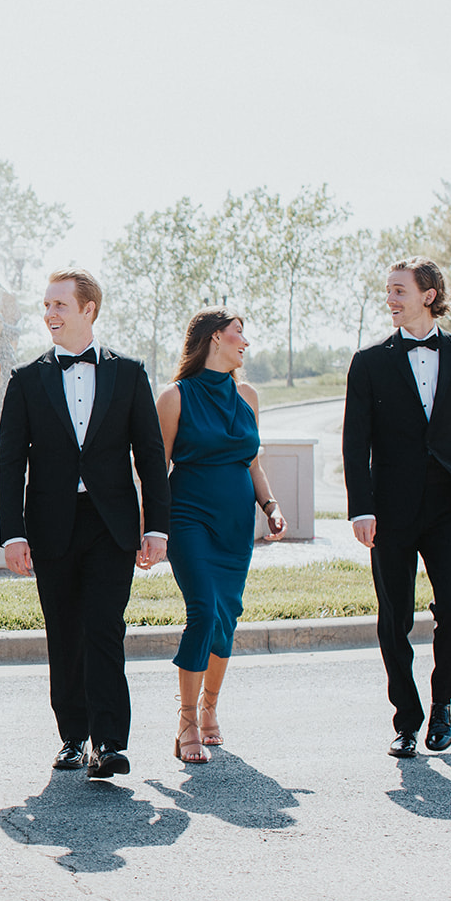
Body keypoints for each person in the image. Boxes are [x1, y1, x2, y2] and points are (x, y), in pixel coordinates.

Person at [0, 268, 169, 779]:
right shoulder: (26, 380)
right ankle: (72, 737)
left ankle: (110, 742)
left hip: (111, 524)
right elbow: (10, 463)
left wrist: (156, 527)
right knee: (64, 632)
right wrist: (13, 532)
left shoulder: (130, 373)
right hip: (50, 524)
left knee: (104, 628)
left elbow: (151, 456)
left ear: (88, 309)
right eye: (46, 305)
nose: (50, 314)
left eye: (60, 305)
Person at [343, 256, 451, 758]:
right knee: (394, 617)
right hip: (389, 510)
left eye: (400, 290)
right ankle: (406, 718)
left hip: (449, 505)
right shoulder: (369, 361)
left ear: (429, 294)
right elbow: (354, 442)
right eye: (388, 291)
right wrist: (361, 509)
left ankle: (443, 700)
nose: (391, 299)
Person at [155, 307, 286, 764]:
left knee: (227, 615)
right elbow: (157, 470)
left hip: (236, 523)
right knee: (204, 611)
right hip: (190, 518)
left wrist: (269, 506)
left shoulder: (247, 395)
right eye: (238, 334)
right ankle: (187, 718)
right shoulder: (174, 397)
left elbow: (252, 461)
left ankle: (211, 709)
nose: (245, 343)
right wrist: (150, 530)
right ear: (215, 338)